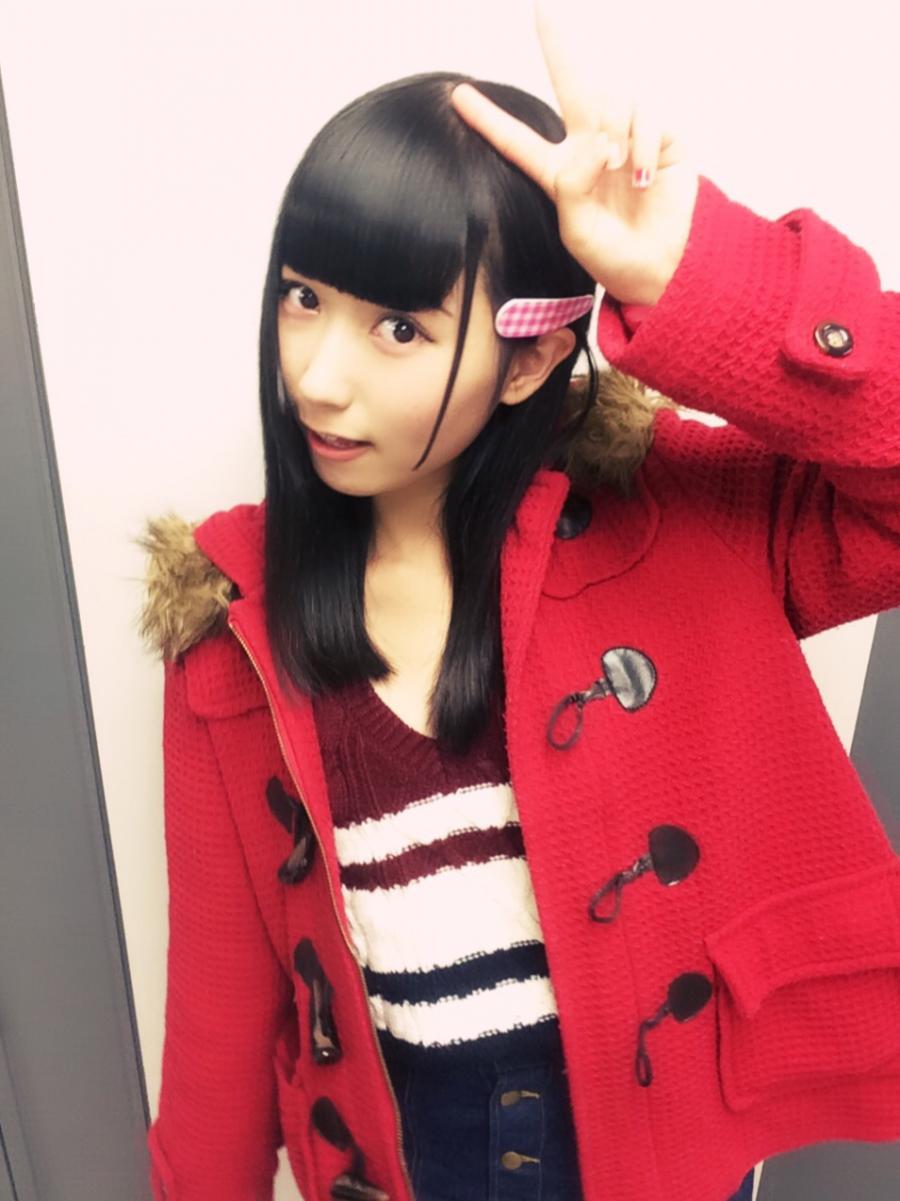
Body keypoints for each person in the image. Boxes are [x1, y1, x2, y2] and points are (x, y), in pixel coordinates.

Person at [136, 3, 900, 1200]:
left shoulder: (684, 527)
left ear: (534, 356)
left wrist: (693, 273)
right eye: (302, 298)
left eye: (399, 326)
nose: (317, 376)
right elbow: (219, 1049)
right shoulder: (231, 638)